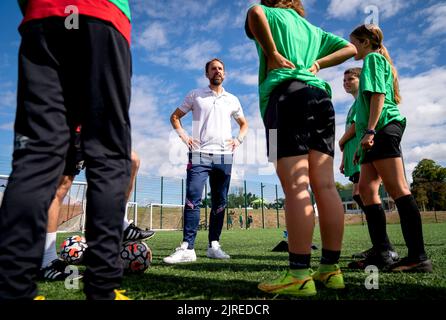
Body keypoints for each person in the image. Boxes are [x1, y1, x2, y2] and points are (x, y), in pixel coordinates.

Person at [0, 0, 133, 300]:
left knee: (35, 158)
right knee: (109, 157)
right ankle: (101, 291)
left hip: (44, 18)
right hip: (102, 16)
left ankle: (13, 291)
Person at [246, 0, 357, 297]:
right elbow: (351, 49)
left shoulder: (267, 12)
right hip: (320, 98)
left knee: (296, 187)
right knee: (326, 186)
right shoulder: (312, 29)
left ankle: (298, 274)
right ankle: (331, 270)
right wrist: (319, 65)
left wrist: (271, 53)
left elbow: (254, 13)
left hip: (285, 97)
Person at [349, 24, 432, 272]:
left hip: (384, 127)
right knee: (364, 190)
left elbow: (378, 97)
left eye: (353, 42)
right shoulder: (372, 60)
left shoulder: (373, 59)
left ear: (364, 43)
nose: (351, 47)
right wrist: (364, 138)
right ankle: (382, 252)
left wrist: (372, 130)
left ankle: (418, 256)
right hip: (374, 132)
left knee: (398, 189)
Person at [163, 58, 248, 264]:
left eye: (220, 69)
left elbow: (244, 124)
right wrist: (185, 137)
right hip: (199, 154)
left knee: (220, 201)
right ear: (207, 74)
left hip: (224, 156)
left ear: (224, 74)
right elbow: (175, 116)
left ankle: (214, 245)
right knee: (193, 197)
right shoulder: (195, 95)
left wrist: (238, 140)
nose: (217, 71)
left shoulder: (232, 99)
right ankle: (187, 248)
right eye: (213, 69)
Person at [39, 148, 155, 281]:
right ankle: (46, 261)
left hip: (97, 133)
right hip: (75, 132)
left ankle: (120, 224)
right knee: (60, 186)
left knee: (131, 160)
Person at [339, 68, 398, 262]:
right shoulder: (353, 106)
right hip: (354, 157)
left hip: (364, 153)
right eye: (344, 79)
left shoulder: (362, 102)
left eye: (351, 78)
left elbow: (356, 128)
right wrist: (343, 159)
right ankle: (381, 245)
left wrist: (340, 140)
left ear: (361, 79)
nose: (346, 82)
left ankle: (384, 245)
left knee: (362, 194)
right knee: (359, 194)